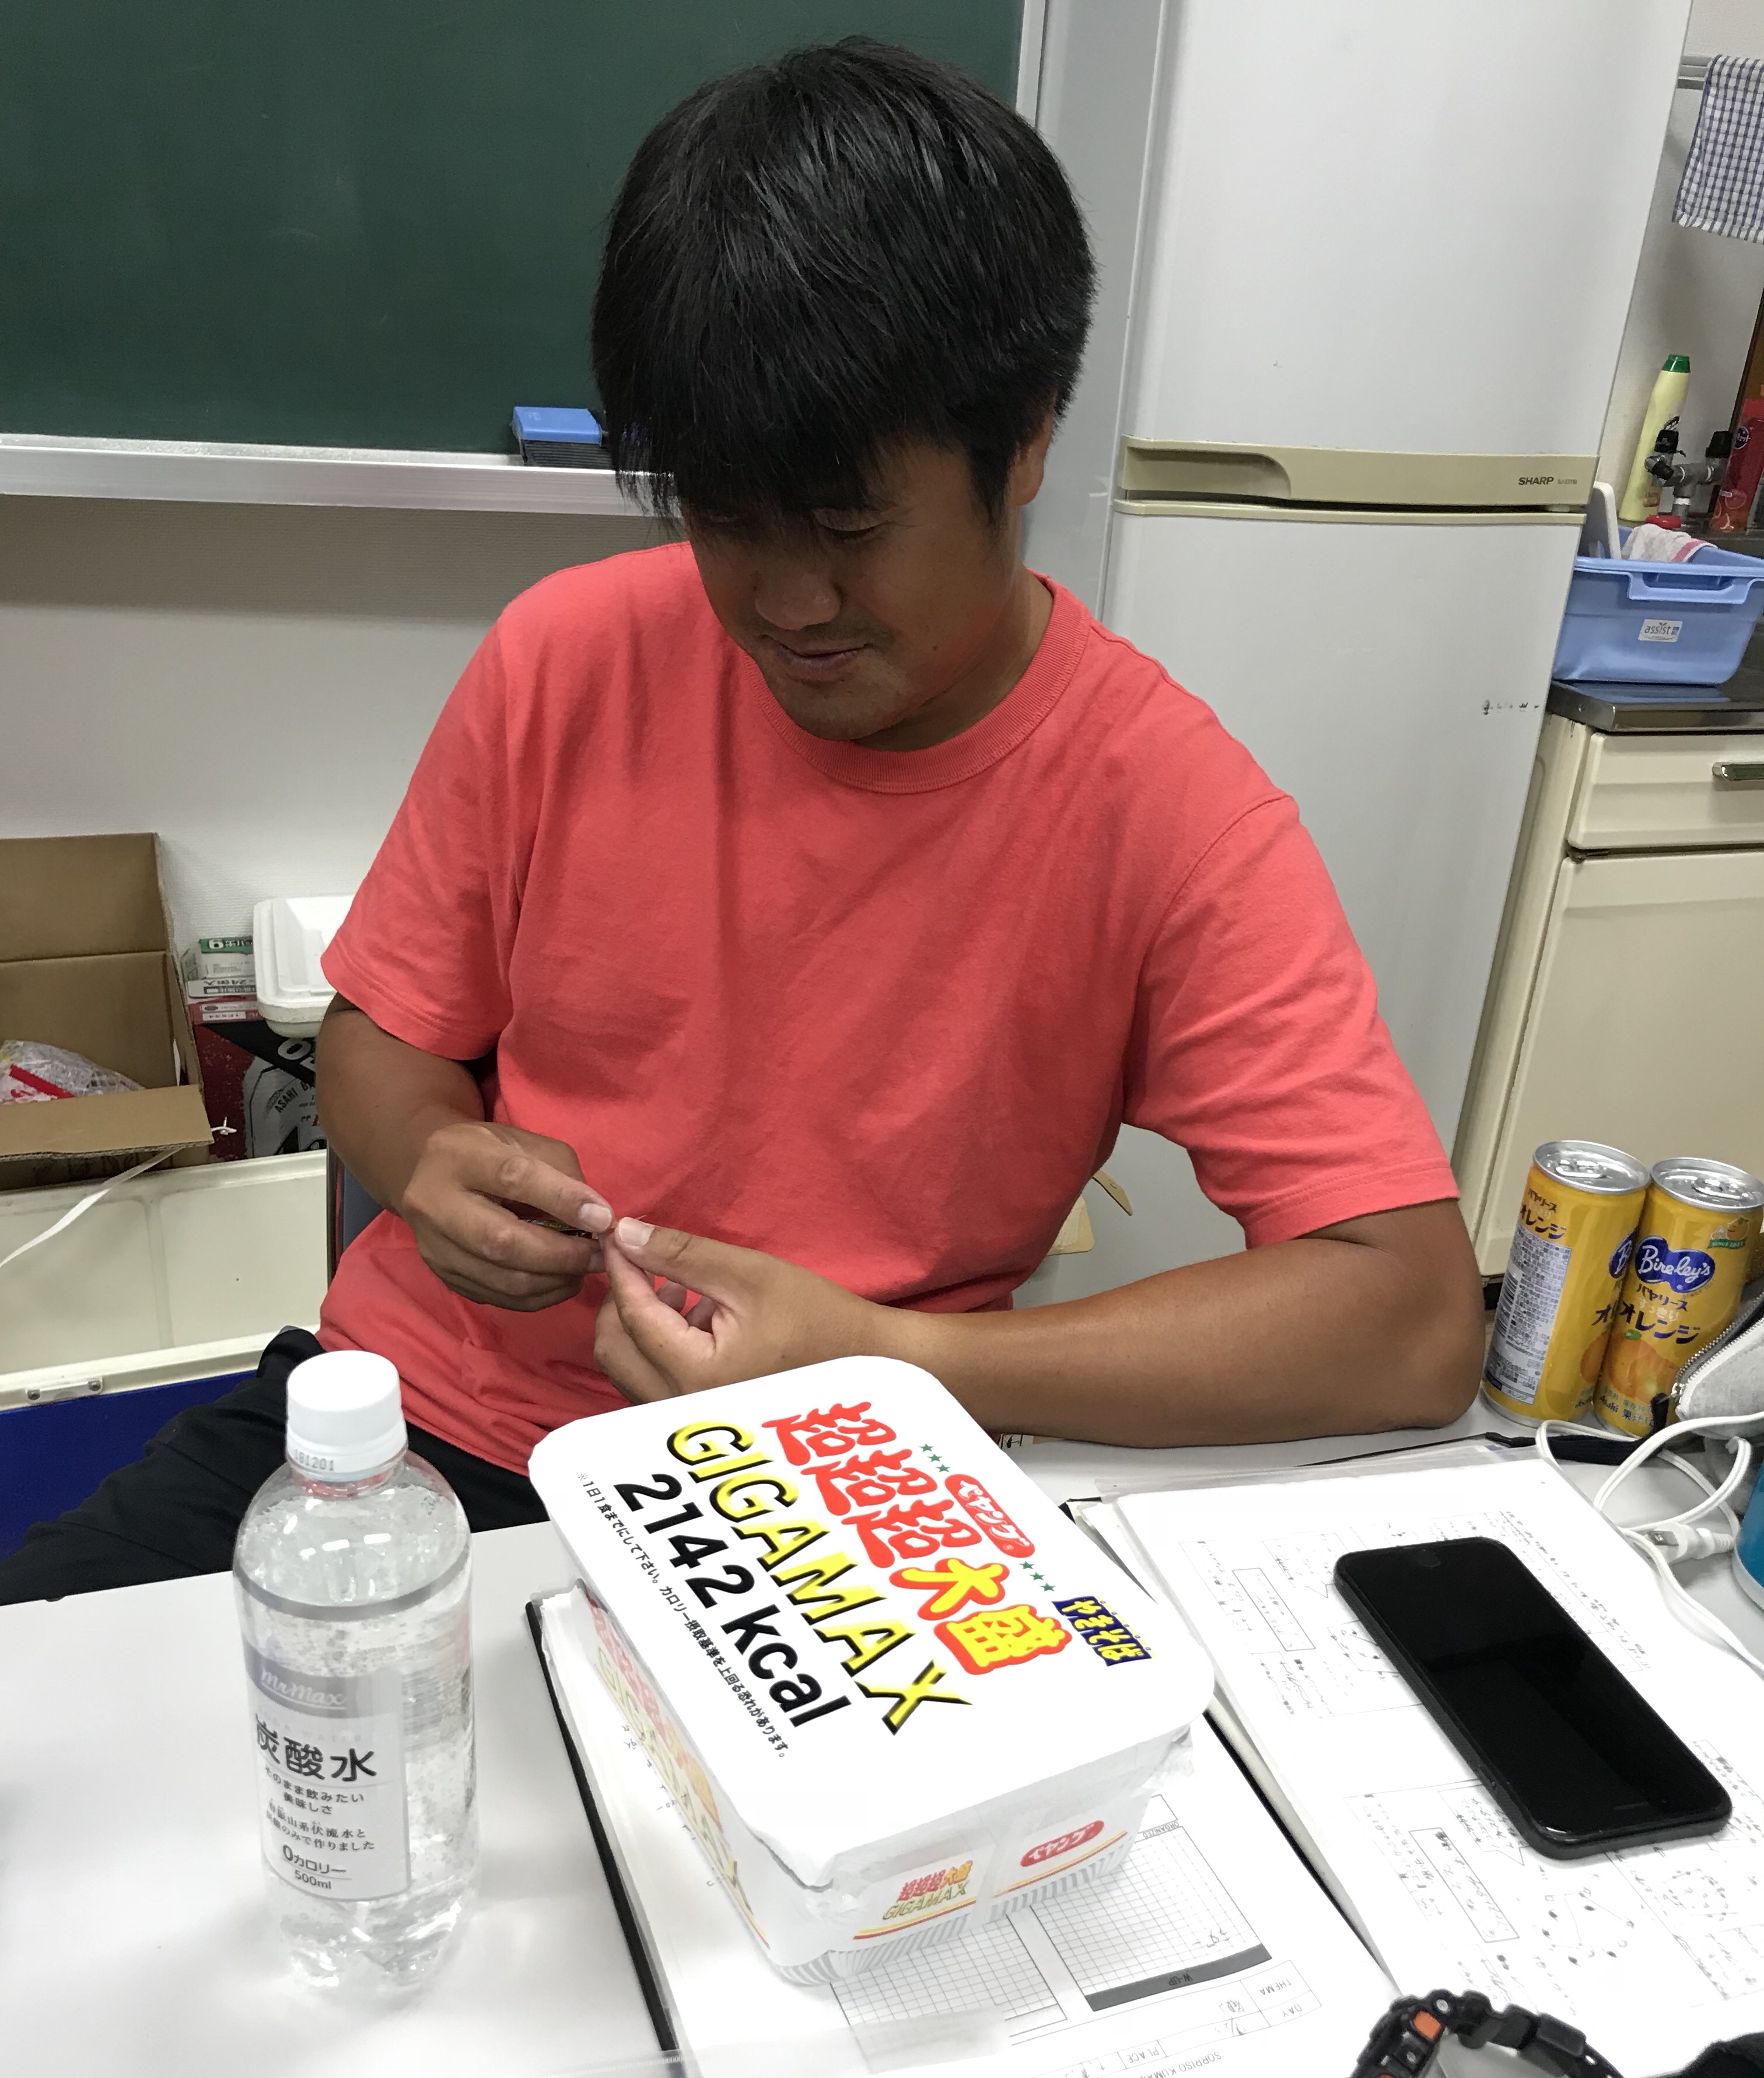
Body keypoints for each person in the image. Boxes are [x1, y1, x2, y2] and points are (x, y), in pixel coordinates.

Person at [2, 38, 1483, 1603]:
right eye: (724, 519)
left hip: (825, 1498)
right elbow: (385, 1034)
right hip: (424, 1429)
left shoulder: (1168, 811)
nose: (785, 604)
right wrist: (430, 1154)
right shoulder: (569, 658)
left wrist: (894, 1362)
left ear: (1029, 436)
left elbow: (1410, 1320)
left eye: (850, 528)